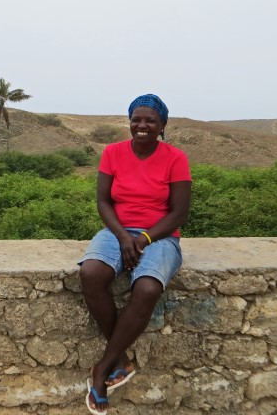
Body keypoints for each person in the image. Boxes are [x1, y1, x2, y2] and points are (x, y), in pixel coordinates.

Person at [79, 94, 192, 415]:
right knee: (91, 274)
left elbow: (179, 212)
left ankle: (103, 368)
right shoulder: (113, 153)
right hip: (117, 230)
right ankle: (122, 360)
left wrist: (143, 238)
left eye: (150, 121)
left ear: (162, 126)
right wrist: (122, 237)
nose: (142, 126)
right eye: (136, 119)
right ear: (129, 121)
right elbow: (103, 201)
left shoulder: (175, 158)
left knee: (147, 288)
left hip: (160, 235)